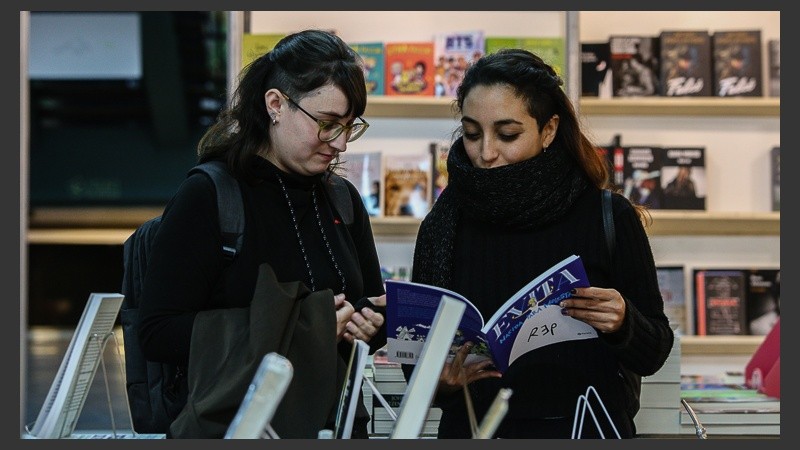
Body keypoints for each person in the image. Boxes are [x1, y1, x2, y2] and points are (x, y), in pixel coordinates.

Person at [407, 49, 674, 439]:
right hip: (475, 431)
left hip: (586, 429)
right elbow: (417, 367)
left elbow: (654, 351)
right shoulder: (443, 224)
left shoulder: (607, 216)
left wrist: (623, 321)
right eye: (471, 133)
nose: (486, 153)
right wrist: (442, 381)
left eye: (508, 134)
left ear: (548, 130)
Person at [137, 29, 387, 438]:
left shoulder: (342, 200)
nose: (340, 144)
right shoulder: (211, 196)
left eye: (349, 126)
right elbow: (158, 332)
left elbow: (363, 314)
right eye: (326, 125)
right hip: (235, 425)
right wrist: (306, 328)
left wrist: (370, 322)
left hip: (336, 426)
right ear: (275, 104)